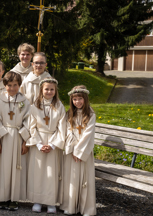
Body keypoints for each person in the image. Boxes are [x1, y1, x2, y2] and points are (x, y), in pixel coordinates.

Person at [0, 71, 31, 211]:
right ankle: (3, 197)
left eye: (15, 85)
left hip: (18, 137)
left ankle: (14, 198)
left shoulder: (25, 101)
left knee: (17, 168)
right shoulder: (0, 100)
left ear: (19, 85)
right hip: (4, 138)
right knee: (3, 168)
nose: (12, 88)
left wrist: (26, 142)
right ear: (4, 85)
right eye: (9, 85)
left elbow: (28, 122)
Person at [27, 77, 66, 214]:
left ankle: (51, 202)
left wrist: (53, 145)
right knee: (38, 172)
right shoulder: (34, 106)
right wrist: (38, 144)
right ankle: (37, 201)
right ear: (41, 90)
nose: (49, 91)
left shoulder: (60, 106)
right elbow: (31, 127)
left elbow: (62, 128)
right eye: (46, 89)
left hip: (53, 142)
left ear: (55, 91)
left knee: (51, 173)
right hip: (39, 141)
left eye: (52, 89)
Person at [60, 85, 96, 216]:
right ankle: (70, 206)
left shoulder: (91, 115)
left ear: (85, 98)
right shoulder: (69, 113)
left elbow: (88, 134)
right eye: (74, 99)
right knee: (71, 178)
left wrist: (79, 152)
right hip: (71, 151)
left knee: (84, 180)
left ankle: (85, 208)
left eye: (80, 98)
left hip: (83, 153)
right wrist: (72, 148)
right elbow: (67, 130)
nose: (77, 102)